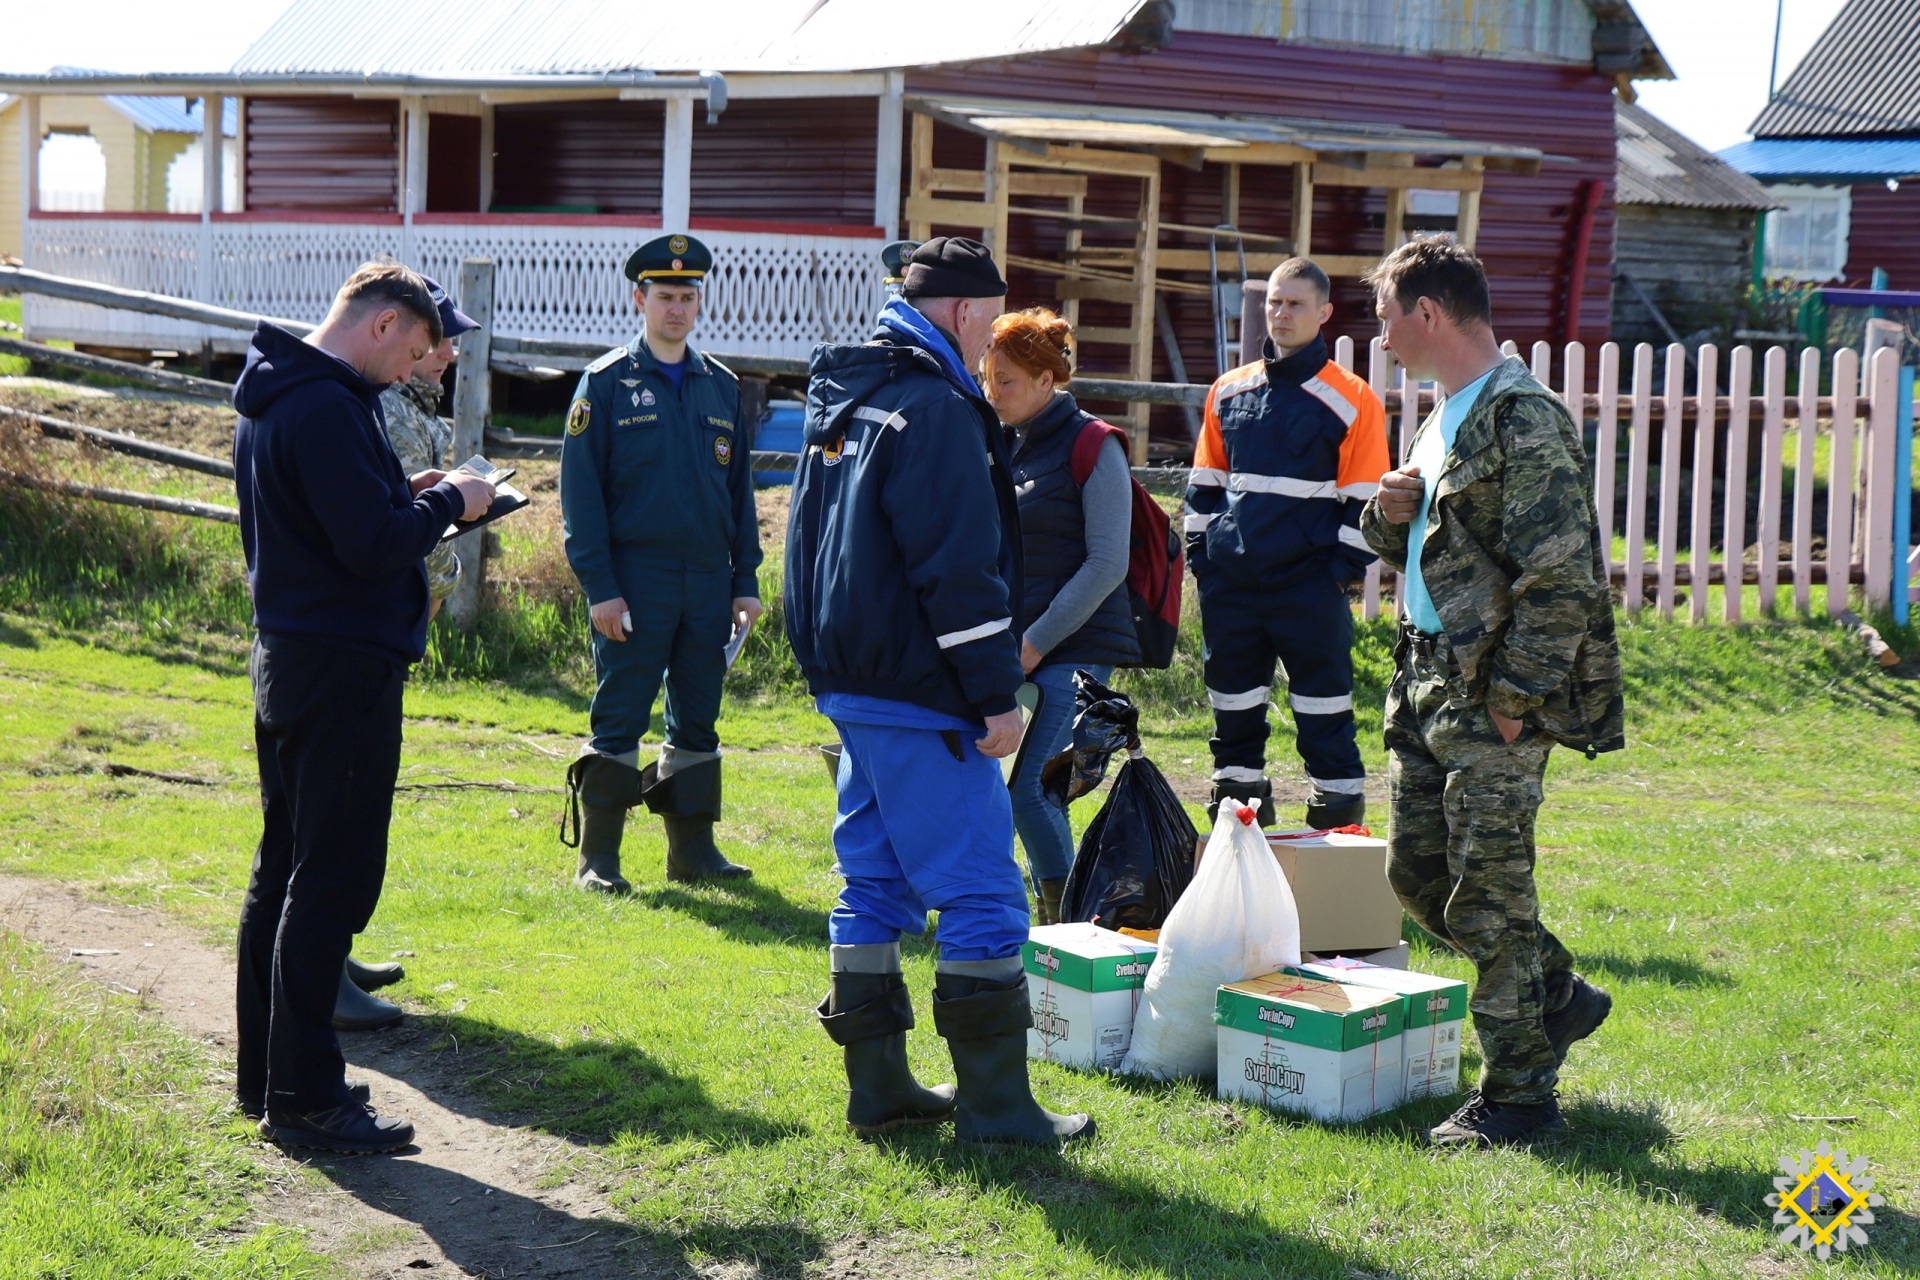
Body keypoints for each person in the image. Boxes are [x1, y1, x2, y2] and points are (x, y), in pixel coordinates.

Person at [786, 237, 1092, 1146]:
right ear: (961, 312)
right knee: (984, 894)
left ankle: (879, 1094)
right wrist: (996, 694)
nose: (994, 330)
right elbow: (959, 573)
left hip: (855, 683)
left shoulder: (849, 394)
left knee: (873, 887)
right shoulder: (937, 409)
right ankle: (998, 1109)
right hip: (922, 692)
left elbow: (805, 551)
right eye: (990, 313)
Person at [1359, 235, 1624, 1148]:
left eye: (1387, 314)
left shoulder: (1522, 416)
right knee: (1418, 876)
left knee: (1489, 890)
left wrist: (1515, 697)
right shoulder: (1442, 417)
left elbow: (1563, 580)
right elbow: (1437, 549)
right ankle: (1555, 993)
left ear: (1429, 313)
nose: (1381, 333)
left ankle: (1518, 1097)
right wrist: (1388, 515)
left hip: (1488, 691)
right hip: (1426, 680)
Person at [232, 261, 495, 1154]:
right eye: (416, 349)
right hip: (340, 667)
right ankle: (306, 1094)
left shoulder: (280, 396)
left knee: (285, 868)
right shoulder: (326, 405)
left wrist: (408, 497)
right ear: (383, 324)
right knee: (331, 879)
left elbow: (334, 522)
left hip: (292, 655)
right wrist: (453, 505)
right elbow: (372, 546)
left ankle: (262, 1073)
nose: (414, 367)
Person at [559, 233, 763, 893]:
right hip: (635, 584)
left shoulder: (724, 388)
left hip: (707, 582)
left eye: (687, 296)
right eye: (665, 296)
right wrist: (601, 588)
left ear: (700, 302)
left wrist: (746, 583)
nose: (677, 308)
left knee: (698, 716)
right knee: (620, 714)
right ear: (639, 298)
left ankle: (693, 853)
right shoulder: (607, 383)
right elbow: (580, 499)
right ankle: (599, 861)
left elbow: (740, 495)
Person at [327, 275, 488, 1035]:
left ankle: (331, 954)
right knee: (340, 812)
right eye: (436, 343)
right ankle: (321, 973)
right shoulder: (367, 408)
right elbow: (375, 531)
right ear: (397, 336)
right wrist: (447, 503)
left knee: (357, 808)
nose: (447, 355)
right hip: (355, 634)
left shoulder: (400, 403)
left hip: (385, 620)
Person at [1184, 257, 1391, 829]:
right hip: (1233, 587)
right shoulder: (1228, 389)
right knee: (1233, 714)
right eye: (1275, 301)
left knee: (1324, 713)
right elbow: (1206, 485)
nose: (1281, 313)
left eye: (1295, 303)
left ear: (1323, 313)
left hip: (1309, 589)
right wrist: (1206, 562)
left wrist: (1335, 573)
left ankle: (1340, 832)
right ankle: (1238, 832)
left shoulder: (1353, 399)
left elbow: (1365, 500)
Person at [981, 307, 1137, 923]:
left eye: (1007, 381)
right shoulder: (1007, 444)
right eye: (990, 378)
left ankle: (1067, 926)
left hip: (1070, 648)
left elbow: (1107, 564)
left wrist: (1034, 644)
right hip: (1019, 645)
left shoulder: (1095, 445)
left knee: (1034, 792)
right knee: (1005, 786)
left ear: (1049, 381)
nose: (994, 392)